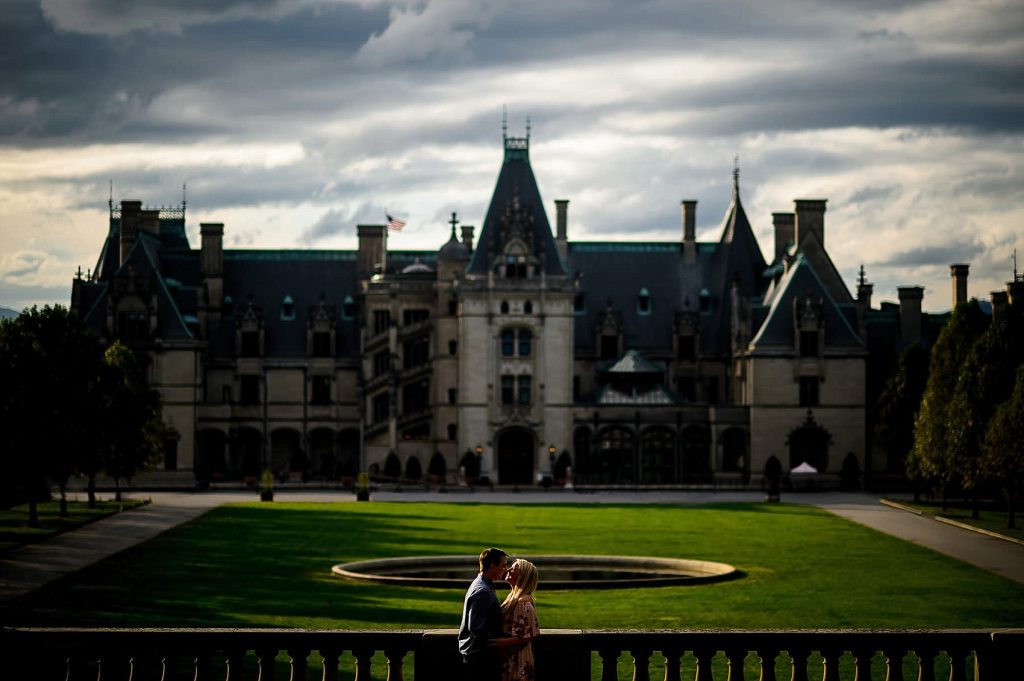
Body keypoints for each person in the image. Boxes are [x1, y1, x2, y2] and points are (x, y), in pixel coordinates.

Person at [459, 547, 519, 680]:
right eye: (503, 565)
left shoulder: (481, 584)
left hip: (475, 654)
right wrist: (498, 641)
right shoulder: (483, 591)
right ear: (492, 566)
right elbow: (475, 626)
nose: (505, 569)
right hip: (479, 657)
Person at [500, 558, 540, 681]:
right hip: (512, 657)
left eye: (514, 568)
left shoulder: (523, 603)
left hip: (518, 659)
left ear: (522, 577)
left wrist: (498, 643)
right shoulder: (513, 597)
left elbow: (525, 636)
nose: (508, 569)